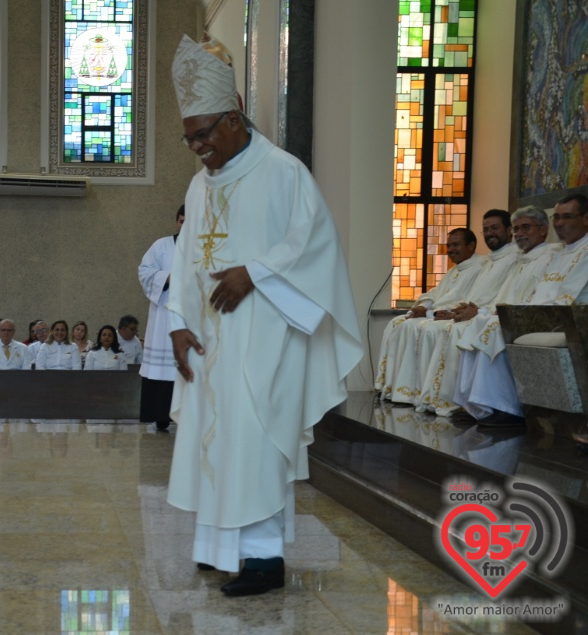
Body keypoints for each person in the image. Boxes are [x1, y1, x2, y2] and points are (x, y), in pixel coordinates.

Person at [166, 34, 362, 597]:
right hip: (208, 339)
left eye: (204, 134)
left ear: (235, 117)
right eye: (190, 139)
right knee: (213, 440)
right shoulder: (201, 184)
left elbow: (314, 244)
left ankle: (262, 561)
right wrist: (179, 322)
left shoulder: (283, 172)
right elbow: (185, 257)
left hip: (264, 338)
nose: (198, 147)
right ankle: (218, 548)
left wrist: (254, 272)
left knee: (252, 443)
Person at [455, 194, 588, 419]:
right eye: (557, 217)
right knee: (481, 323)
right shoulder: (560, 253)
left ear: (585, 219)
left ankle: (502, 407)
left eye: (567, 217)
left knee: (494, 328)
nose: (560, 223)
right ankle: (476, 402)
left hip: (570, 319)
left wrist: (523, 313)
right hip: (541, 315)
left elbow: (567, 299)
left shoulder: (581, 252)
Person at [415, 207, 556, 415]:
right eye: (517, 229)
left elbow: (534, 299)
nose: (520, 234)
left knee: (475, 327)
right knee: (473, 325)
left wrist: (481, 312)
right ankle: (468, 400)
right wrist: (478, 311)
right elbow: (500, 298)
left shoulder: (549, 257)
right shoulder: (521, 260)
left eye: (525, 228)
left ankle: (495, 405)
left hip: (525, 318)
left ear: (543, 230)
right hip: (500, 314)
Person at [385, 212, 518, 408]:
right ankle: (406, 391)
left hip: (486, 315)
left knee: (440, 330)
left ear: (508, 230)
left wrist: (465, 312)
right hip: (469, 313)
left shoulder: (507, 260)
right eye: (486, 229)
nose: (490, 233)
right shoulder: (485, 263)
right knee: (400, 324)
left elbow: (492, 297)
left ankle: (450, 399)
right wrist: (427, 307)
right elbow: (441, 293)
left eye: (494, 228)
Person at [374, 228, 484, 401]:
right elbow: (436, 293)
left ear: (471, 245)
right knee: (397, 322)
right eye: (449, 246)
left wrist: (431, 313)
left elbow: (463, 300)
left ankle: (427, 393)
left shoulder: (479, 267)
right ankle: (396, 388)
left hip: (451, 316)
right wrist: (424, 306)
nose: (451, 250)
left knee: (427, 329)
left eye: (456, 245)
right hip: (436, 314)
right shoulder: (455, 270)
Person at [138, 205, 185, 430]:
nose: (184, 226)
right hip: (164, 314)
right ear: (176, 222)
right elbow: (144, 271)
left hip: (190, 316)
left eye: (189, 222)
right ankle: (161, 417)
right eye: (181, 221)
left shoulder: (204, 248)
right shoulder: (162, 245)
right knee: (162, 368)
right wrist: (168, 278)